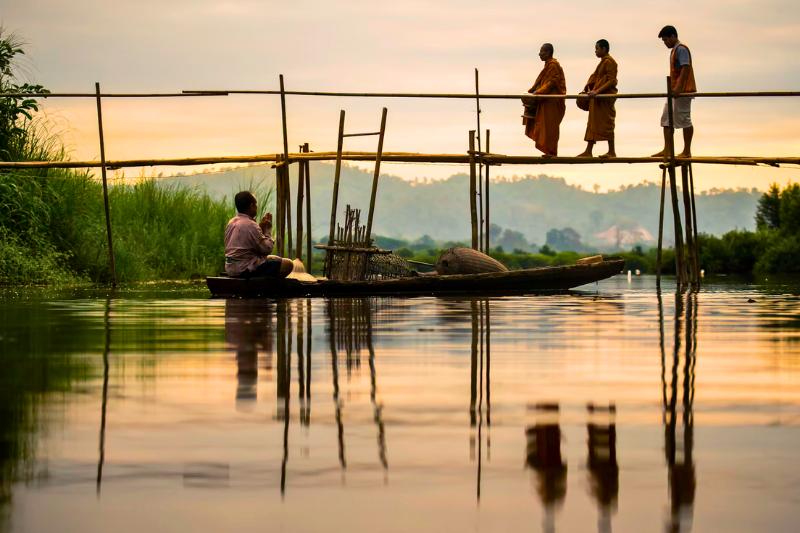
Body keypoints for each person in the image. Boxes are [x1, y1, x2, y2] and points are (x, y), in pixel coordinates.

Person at [224, 190, 294, 278]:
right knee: (288, 264)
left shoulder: (231, 223)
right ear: (251, 206)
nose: (257, 207)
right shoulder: (250, 224)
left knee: (273, 258)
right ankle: (265, 287)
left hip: (231, 269)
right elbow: (267, 249)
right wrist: (267, 230)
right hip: (245, 269)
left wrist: (260, 229)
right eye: (255, 204)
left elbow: (247, 246)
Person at [652, 25, 697, 158]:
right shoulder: (674, 50)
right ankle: (668, 149)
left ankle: (687, 151)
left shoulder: (681, 49)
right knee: (666, 119)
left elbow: (685, 68)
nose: (665, 43)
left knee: (684, 119)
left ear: (673, 36)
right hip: (674, 91)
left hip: (683, 91)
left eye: (666, 40)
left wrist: (678, 88)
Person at [577, 39, 618, 158]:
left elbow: (611, 80)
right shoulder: (603, 62)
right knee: (592, 123)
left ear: (604, 49)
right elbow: (595, 78)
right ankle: (588, 151)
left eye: (597, 48)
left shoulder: (610, 62)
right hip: (597, 98)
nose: (595, 51)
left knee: (607, 124)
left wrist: (597, 91)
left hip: (605, 98)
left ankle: (612, 151)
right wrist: (589, 90)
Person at [524, 43, 567, 157]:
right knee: (545, 125)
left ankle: (551, 151)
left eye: (541, 51)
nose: (539, 54)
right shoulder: (548, 65)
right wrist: (532, 91)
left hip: (552, 101)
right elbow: (541, 82)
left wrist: (536, 93)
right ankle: (549, 150)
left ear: (548, 53)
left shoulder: (553, 65)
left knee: (550, 126)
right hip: (546, 100)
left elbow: (551, 83)